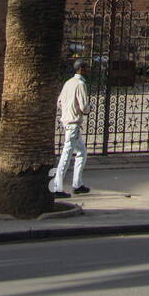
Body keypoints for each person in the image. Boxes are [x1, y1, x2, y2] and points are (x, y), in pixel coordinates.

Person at [52, 59, 91, 197]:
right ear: (81, 69)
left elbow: (60, 102)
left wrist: (67, 111)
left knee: (82, 152)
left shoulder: (68, 83)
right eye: (86, 68)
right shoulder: (80, 84)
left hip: (68, 121)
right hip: (74, 123)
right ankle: (57, 187)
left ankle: (77, 184)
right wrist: (88, 108)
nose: (88, 70)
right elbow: (84, 107)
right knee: (66, 154)